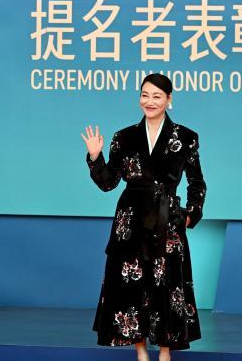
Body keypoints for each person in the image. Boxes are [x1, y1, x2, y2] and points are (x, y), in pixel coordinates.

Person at [81, 73, 207, 361]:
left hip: (167, 220)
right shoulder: (123, 137)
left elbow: (197, 182)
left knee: (166, 284)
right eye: (145, 95)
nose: (149, 101)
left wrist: (190, 215)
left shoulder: (186, 137)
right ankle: (140, 351)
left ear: (169, 100)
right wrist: (95, 157)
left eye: (157, 96)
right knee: (132, 284)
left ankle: (165, 351)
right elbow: (109, 183)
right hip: (131, 221)